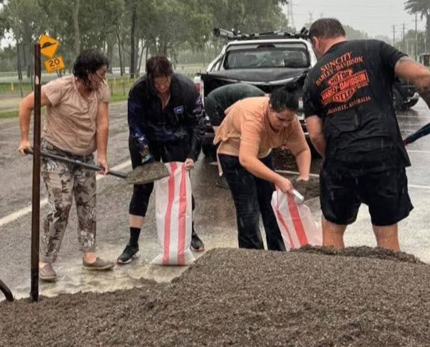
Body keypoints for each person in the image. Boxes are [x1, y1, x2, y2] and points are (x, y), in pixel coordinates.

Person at [302, 18, 430, 252]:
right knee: (385, 232)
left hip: (341, 159)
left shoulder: (313, 76)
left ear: (316, 41)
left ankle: (332, 283)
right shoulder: (375, 49)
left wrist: (334, 158)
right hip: (384, 155)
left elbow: (315, 134)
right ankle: (390, 283)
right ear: (341, 34)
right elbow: (422, 76)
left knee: (332, 229)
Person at [18, 49, 114, 281]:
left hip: (83, 157)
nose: (103, 79)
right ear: (87, 73)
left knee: (88, 204)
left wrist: (102, 155)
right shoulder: (60, 88)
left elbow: (102, 123)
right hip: (56, 156)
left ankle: (89, 256)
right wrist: (24, 139)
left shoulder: (101, 89)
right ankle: (45, 262)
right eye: (100, 74)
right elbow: (26, 104)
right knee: (60, 205)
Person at [117, 55, 206, 264]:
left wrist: (192, 155)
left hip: (177, 140)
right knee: (142, 188)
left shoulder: (186, 89)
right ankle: (132, 243)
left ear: (171, 75)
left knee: (181, 188)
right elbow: (135, 127)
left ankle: (189, 232)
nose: (163, 86)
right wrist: (147, 157)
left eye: (165, 81)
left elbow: (198, 124)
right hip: (146, 140)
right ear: (150, 79)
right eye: (157, 83)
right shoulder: (138, 91)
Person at [214, 83, 312, 251]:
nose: (285, 125)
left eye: (289, 120)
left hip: (260, 152)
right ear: (270, 108)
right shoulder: (255, 117)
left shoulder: (290, 121)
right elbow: (246, 159)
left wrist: (304, 177)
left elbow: (302, 150)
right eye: (281, 119)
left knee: (272, 204)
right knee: (248, 207)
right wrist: (279, 179)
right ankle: (252, 256)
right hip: (234, 152)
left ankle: (277, 252)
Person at [204, 83, 265, 188]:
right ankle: (223, 176)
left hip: (225, 105)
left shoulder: (260, 101)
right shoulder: (250, 100)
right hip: (214, 104)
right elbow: (228, 111)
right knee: (223, 139)